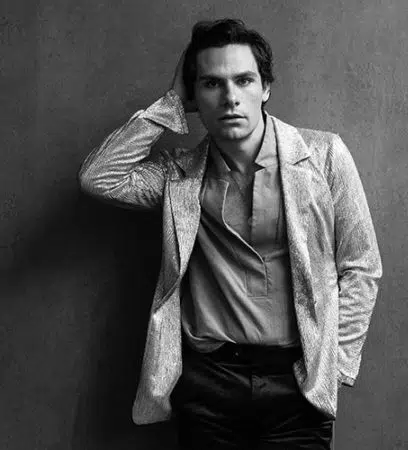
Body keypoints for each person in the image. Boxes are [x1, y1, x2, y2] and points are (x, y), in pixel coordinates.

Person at [78, 18, 382, 450]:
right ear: (195, 96)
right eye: (211, 84)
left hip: (297, 383)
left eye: (243, 80)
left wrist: (333, 367)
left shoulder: (323, 155)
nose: (230, 97)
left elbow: (361, 266)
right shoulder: (178, 175)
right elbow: (99, 177)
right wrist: (169, 104)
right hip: (209, 385)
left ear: (266, 87)